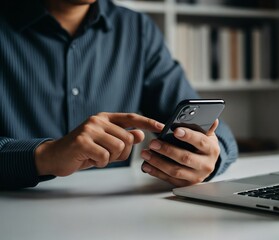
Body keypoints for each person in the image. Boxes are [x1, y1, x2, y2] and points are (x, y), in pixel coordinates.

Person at [0, 0, 238, 190]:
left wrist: (209, 158)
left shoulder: (137, 29)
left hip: (116, 216)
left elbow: (208, 125)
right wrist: (46, 155)